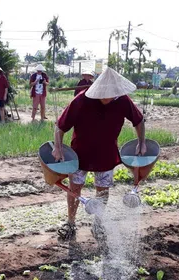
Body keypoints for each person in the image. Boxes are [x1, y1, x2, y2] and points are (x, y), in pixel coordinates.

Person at [52, 67, 146, 241]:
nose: (108, 97)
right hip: (80, 154)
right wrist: (58, 147)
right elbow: (60, 126)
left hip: (106, 153)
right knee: (75, 188)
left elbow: (139, 121)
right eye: (104, 94)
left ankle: (98, 223)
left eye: (112, 94)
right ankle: (71, 223)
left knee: (102, 190)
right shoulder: (81, 101)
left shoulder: (123, 100)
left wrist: (141, 142)